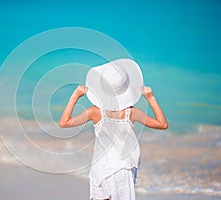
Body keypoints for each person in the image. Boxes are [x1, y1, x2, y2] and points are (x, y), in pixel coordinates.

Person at [59, 58, 168, 200]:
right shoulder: (131, 112)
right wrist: (150, 98)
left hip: (102, 168)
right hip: (124, 168)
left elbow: (64, 123)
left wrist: (75, 96)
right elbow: (162, 124)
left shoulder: (96, 112)